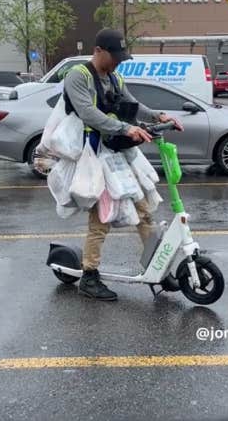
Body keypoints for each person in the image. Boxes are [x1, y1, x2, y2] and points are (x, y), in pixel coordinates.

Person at [63, 28, 182, 301]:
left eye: (120, 57)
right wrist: (125, 129)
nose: (117, 62)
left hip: (117, 154)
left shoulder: (115, 76)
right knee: (101, 217)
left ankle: (158, 267)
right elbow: (88, 113)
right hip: (91, 156)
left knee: (144, 209)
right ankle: (89, 276)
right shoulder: (78, 76)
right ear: (98, 51)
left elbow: (132, 103)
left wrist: (158, 115)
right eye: (114, 56)